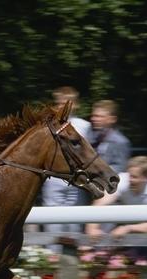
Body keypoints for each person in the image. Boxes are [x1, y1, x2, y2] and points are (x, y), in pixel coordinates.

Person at [42, 86, 92, 236]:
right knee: (52, 221)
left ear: (75, 104)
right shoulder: (48, 125)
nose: (62, 106)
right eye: (59, 103)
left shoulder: (84, 126)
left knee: (75, 222)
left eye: (67, 103)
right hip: (54, 179)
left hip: (76, 180)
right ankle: (51, 255)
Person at [88, 100, 130, 174]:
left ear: (112, 119)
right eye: (93, 116)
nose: (93, 119)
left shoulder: (120, 142)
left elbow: (121, 167)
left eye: (99, 116)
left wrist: (98, 169)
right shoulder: (90, 137)